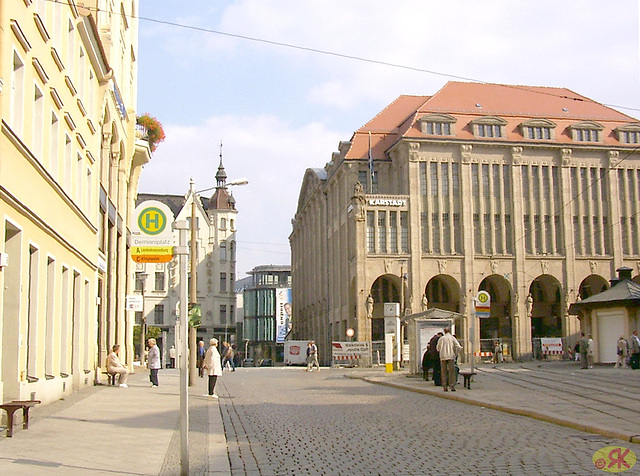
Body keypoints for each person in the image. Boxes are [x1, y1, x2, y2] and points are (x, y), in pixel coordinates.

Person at [436, 327, 462, 392]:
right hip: (451, 356)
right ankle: (452, 385)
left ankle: (444, 386)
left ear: (444, 331)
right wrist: (455, 353)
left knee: (443, 371)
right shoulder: (452, 338)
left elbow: (438, 348)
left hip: (443, 356)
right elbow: (458, 347)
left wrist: (441, 351)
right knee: (451, 372)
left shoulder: (441, 338)